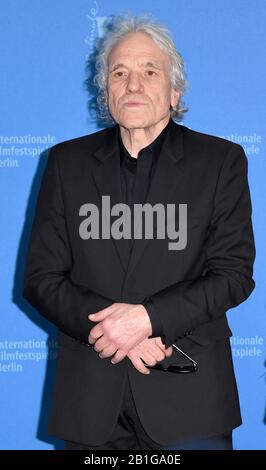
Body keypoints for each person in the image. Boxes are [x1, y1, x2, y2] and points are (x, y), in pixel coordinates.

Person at [22, 14, 256, 450]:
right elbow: (42, 279)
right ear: (105, 91)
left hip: (191, 400)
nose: (133, 84)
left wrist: (148, 320)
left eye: (150, 72)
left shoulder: (220, 162)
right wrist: (116, 330)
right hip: (90, 402)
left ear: (174, 90)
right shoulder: (65, 165)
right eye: (120, 73)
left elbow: (232, 275)